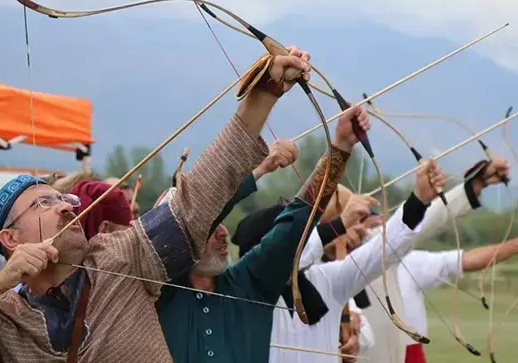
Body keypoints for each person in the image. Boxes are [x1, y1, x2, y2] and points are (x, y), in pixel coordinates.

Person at [0, 46, 313, 363]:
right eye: (43, 204)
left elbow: (195, 198)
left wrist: (266, 92)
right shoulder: (1, 317)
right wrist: (0, 281)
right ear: (11, 238)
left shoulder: (123, 258)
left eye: (63, 197)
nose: (67, 206)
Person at [156, 104, 371, 363]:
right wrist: (258, 170)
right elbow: (196, 213)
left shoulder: (251, 282)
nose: (222, 232)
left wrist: (340, 146)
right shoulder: (158, 292)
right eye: (211, 225)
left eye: (219, 223)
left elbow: (296, 222)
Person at [263, 155, 448, 363]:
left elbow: (382, 249)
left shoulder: (327, 278)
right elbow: (288, 256)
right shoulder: (253, 290)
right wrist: (340, 224)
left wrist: (418, 200)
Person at [362, 157, 513, 363]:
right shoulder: (315, 256)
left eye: (374, 224)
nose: (366, 230)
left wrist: (476, 184)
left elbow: (428, 219)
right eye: (356, 219)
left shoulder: (376, 247)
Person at [398, 227, 518, 363]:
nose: (378, 227)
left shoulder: (408, 262)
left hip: (408, 353)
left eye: (380, 223)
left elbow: (468, 260)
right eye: (373, 223)